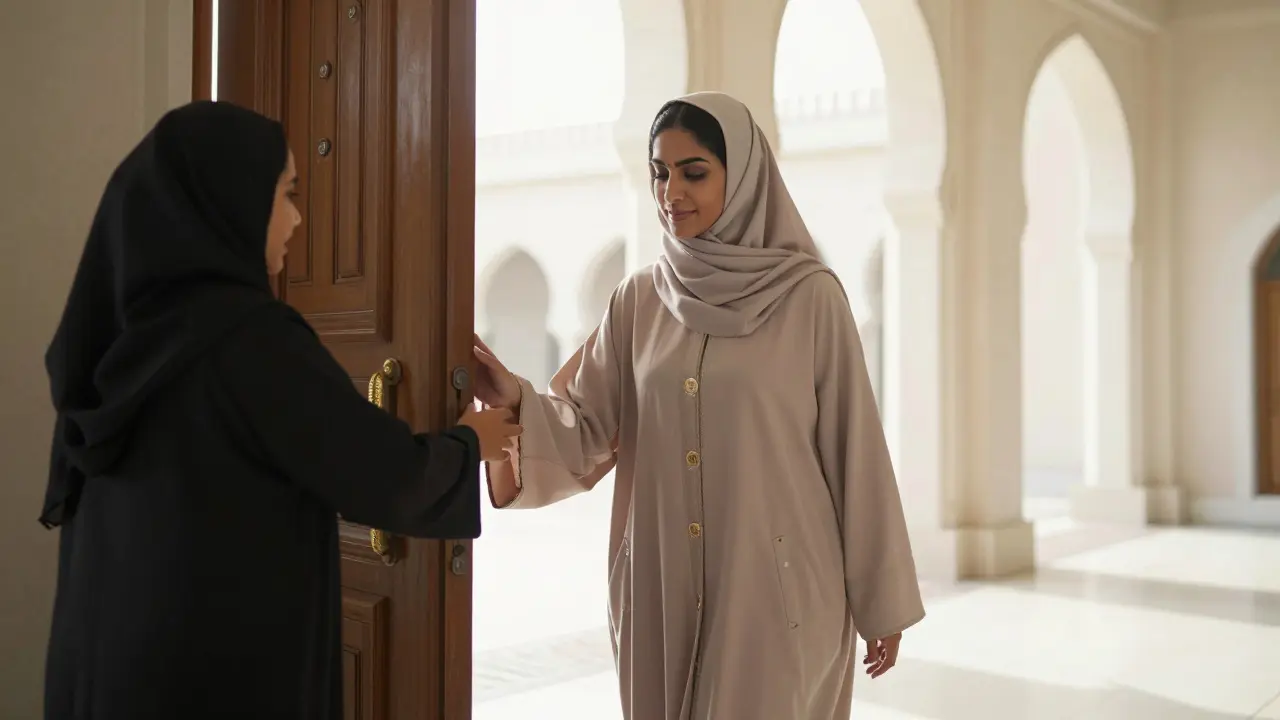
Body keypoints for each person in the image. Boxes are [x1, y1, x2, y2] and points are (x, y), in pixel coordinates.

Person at [39, 101, 520, 719]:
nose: (296, 219)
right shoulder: (248, 340)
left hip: (111, 656)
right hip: (213, 665)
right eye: (286, 193)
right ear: (230, 200)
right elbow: (382, 473)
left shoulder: (122, 337)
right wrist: (469, 439)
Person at [474, 92, 924, 719]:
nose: (670, 193)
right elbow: (585, 429)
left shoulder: (809, 298)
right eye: (660, 172)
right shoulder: (638, 301)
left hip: (778, 591)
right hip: (660, 585)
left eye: (694, 172)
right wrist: (515, 399)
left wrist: (882, 601)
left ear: (740, 177)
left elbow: (857, 453)